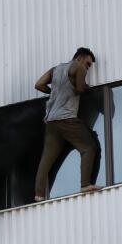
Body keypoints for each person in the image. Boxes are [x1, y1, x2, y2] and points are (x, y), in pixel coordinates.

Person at [33, 47, 100, 201]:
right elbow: (80, 88)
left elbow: (39, 84)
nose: (87, 68)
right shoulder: (78, 66)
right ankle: (85, 184)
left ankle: (39, 194)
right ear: (81, 58)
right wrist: (91, 90)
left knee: (47, 159)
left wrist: (55, 94)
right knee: (88, 147)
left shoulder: (56, 69)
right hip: (67, 118)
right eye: (88, 64)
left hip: (51, 121)